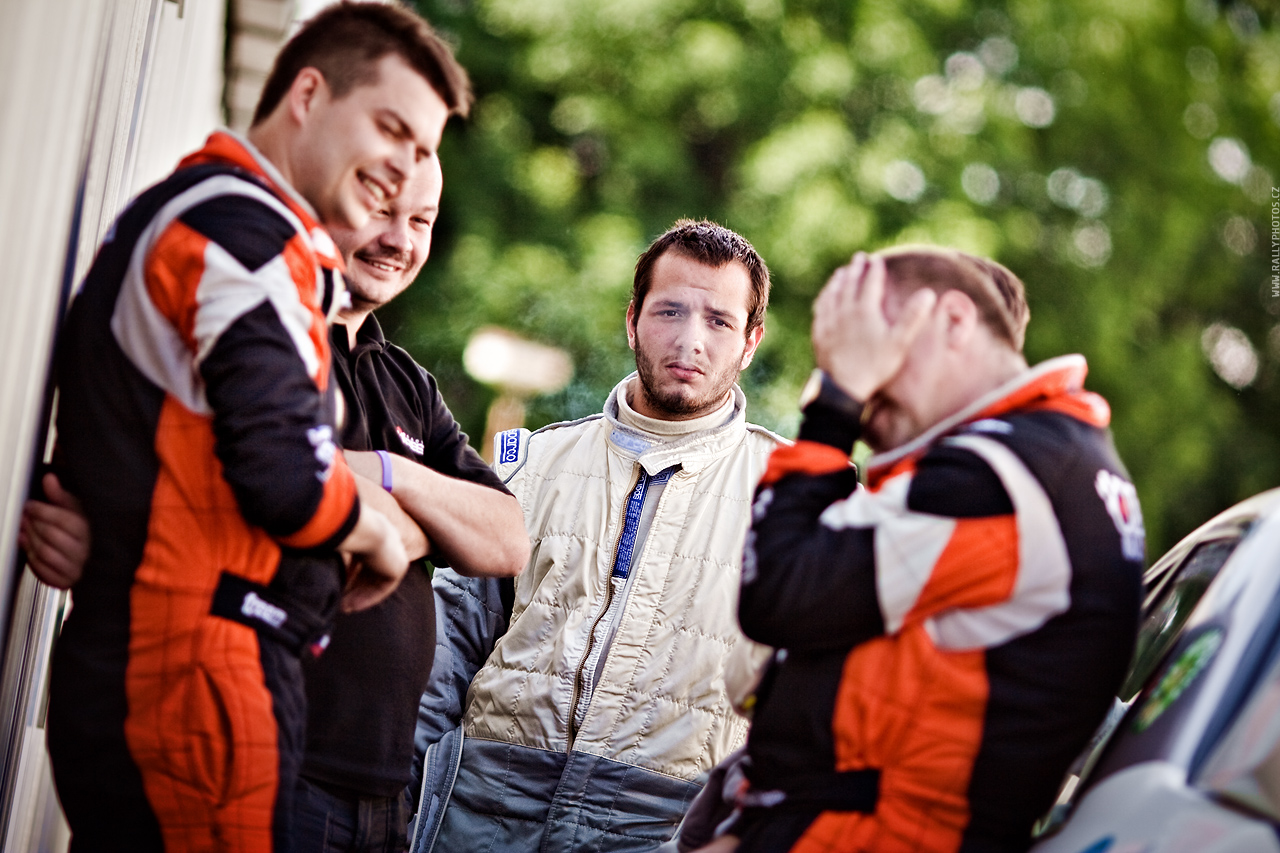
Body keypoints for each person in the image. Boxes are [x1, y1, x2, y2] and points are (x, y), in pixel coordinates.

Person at [42, 4, 459, 850]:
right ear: (308, 93)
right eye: (391, 128)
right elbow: (284, 473)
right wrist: (374, 535)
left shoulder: (253, 235)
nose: (404, 166)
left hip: (207, 675)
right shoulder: (242, 238)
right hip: (191, 679)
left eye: (422, 150)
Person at [707, 246, 1145, 853]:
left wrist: (833, 406)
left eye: (874, 357)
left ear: (955, 321)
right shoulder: (1051, 452)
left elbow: (778, 592)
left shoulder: (1003, 476)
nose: (865, 401)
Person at [411, 219, 781, 853]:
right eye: (670, 311)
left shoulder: (793, 501)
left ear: (750, 343)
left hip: (661, 829)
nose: (690, 340)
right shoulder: (529, 466)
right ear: (633, 320)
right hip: (479, 819)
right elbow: (441, 652)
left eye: (719, 321)